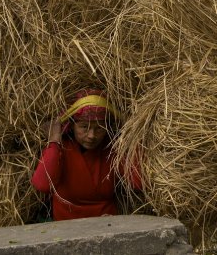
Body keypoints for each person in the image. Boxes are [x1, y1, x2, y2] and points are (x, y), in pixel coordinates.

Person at [31, 88, 142, 221]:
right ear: (72, 125)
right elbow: (42, 185)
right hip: (66, 228)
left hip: (106, 226)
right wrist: (54, 140)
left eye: (99, 128)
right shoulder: (61, 149)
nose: (91, 136)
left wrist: (131, 137)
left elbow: (138, 183)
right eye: (84, 127)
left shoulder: (111, 150)